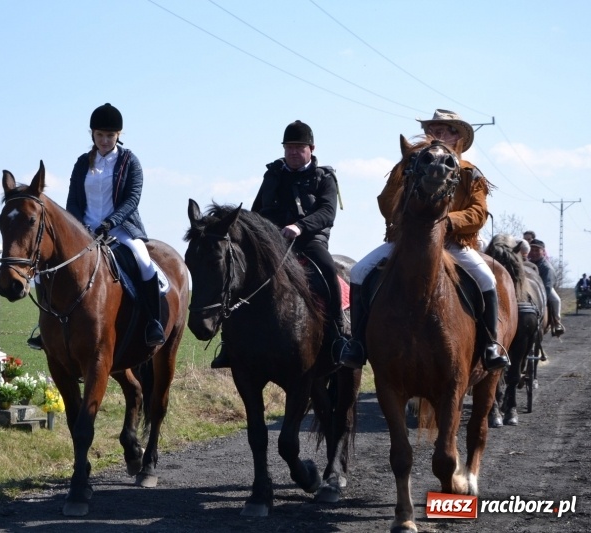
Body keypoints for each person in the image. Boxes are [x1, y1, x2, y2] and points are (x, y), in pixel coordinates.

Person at [343, 109, 509, 371]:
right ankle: (357, 343)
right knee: (359, 271)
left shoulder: (470, 172)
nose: (435, 133)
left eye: (443, 129)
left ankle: (490, 345)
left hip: (455, 244)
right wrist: (411, 216)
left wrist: (446, 222)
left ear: (457, 137)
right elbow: (386, 202)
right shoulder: (409, 165)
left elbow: (478, 212)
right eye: (432, 128)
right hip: (408, 240)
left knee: (488, 279)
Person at [209, 120, 349, 368]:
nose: (293, 152)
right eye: (288, 147)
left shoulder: (325, 177)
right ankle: (228, 343)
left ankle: (340, 333)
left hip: (309, 241)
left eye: (299, 147)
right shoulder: (273, 174)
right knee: (239, 276)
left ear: (311, 148)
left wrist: (300, 226)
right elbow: (255, 211)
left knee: (328, 269)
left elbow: (327, 212)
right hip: (272, 244)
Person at [28, 103, 165, 350]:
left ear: (118, 136)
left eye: (110, 136)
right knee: (43, 269)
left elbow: (132, 199)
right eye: (100, 135)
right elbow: (73, 200)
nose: (104, 140)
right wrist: (79, 228)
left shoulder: (130, 162)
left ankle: (152, 322)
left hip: (121, 229)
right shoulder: (82, 163)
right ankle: (46, 325)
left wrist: (110, 223)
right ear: (92, 134)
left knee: (144, 262)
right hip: (84, 231)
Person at [528, 239, 565, 337]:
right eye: (532, 250)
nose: (534, 253)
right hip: (529, 289)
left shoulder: (547, 267)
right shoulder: (527, 263)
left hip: (543, 289)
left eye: (537, 250)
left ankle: (557, 322)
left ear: (543, 251)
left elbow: (547, 286)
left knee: (556, 300)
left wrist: (538, 299)